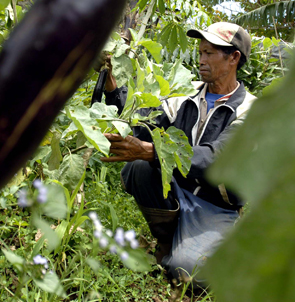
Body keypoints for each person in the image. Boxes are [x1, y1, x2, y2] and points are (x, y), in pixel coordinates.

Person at [100, 22, 256, 284]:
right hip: (177, 191)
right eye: (200, 52)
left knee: (190, 274)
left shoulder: (250, 110)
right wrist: (111, 84)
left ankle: (217, 240)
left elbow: (216, 158)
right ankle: (167, 239)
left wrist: (153, 152)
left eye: (209, 53)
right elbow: (140, 121)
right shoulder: (184, 94)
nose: (201, 60)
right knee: (138, 168)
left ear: (234, 58)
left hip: (216, 205)